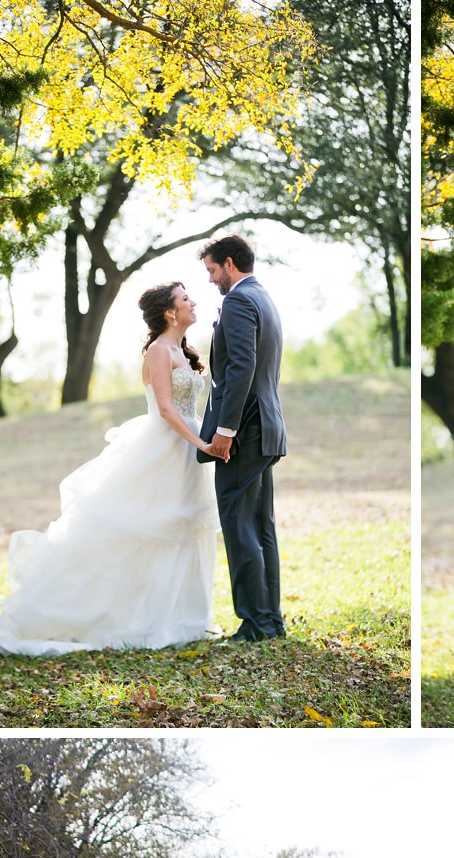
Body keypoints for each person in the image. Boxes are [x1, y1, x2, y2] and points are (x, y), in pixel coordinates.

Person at [0, 283, 221, 656]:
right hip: (165, 448)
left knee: (183, 528)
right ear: (170, 312)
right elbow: (167, 410)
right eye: (185, 299)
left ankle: (181, 618)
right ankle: (131, 619)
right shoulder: (157, 351)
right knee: (150, 528)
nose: (193, 302)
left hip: (186, 448)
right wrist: (200, 442)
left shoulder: (183, 352)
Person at [198, 233, 287, 642]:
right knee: (260, 525)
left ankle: (254, 623)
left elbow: (240, 370)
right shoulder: (265, 298)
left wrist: (224, 432)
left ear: (230, 263)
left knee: (239, 522)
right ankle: (269, 620)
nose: (212, 280)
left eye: (213, 270)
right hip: (267, 426)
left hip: (244, 431)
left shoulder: (237, 300)